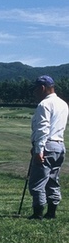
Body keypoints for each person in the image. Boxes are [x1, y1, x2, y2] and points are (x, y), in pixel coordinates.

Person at [28, 75, 69, 219]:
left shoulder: (44, 105)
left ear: (42, 88)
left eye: (35, 90)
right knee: (52, 180)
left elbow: (43, 129)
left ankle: (37, 213)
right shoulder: (63, 104)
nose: (34, 93)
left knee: (37, 182)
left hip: (47, 145)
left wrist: (39, 149)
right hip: (59, 145)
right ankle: (51, 213)